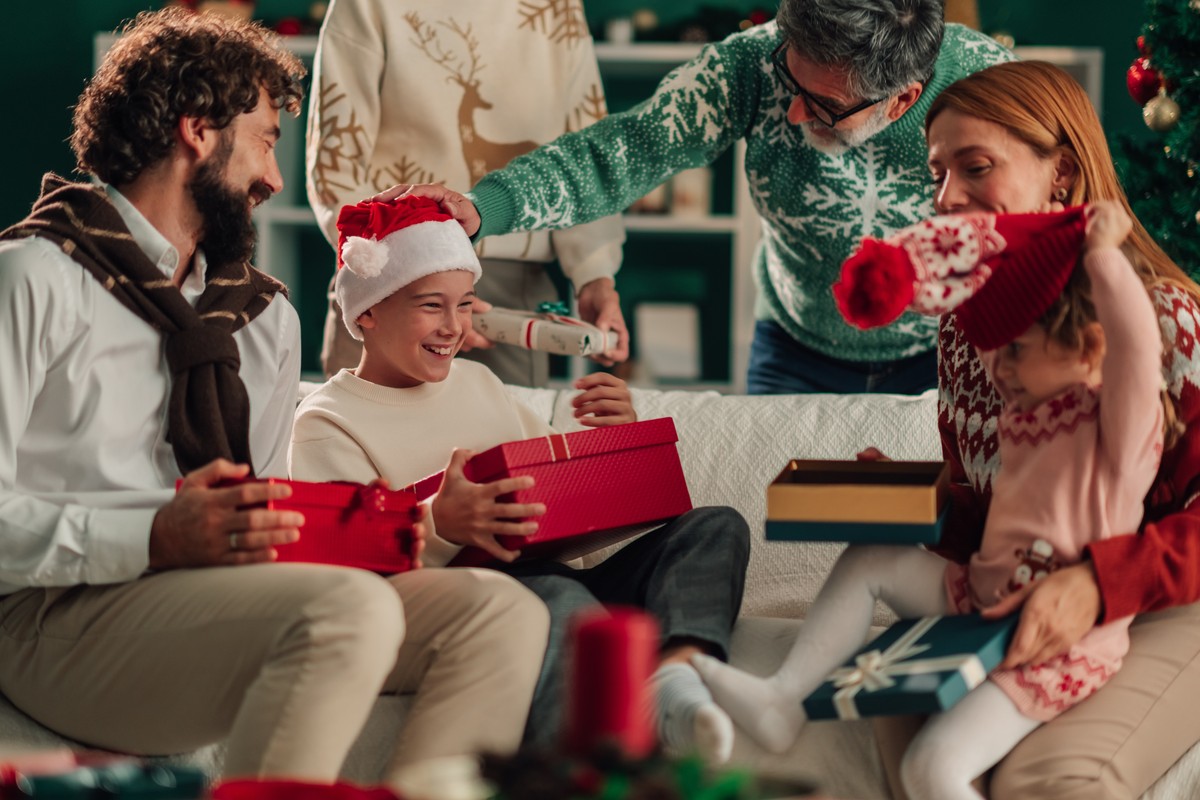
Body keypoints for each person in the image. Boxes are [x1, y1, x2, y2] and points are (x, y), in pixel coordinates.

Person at [0, 8, 547, 786]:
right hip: (48, 616)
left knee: (497, 611)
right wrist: (153, 535)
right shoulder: (32, 277)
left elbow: (273, 525)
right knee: (342, 610)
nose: (274, 179)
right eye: (263, 139)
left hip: (201, 604)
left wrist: (422, 523)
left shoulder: (261, 318)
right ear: (198, 129)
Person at [693, 200, 1164, 798]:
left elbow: (1138, 349)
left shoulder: (1116, 434)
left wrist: (1102, 258)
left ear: (1090, 350)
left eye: (1017, 351)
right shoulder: (1023, 415)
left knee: (930, 768)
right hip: (980, 598)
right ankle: (783, 701)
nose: (1001, 370)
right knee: (870, 558)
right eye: (998, 352)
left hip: (1053, 645)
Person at [289, 196, 751, 763]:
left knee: (714, 527)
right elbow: (342, 574)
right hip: (472, 602)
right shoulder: (326, 420)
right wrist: (439, 523)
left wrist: (617, 443)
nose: (454, 327)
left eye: (464, 306)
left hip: (556, 576)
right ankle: (568, 776)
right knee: (554, 595)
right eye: (431, 306)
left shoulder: (479, 382)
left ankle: (677, 680)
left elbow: (558, 492)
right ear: (366, 312)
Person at [379, 0, 1015, 394]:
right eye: (791, 79)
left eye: (821, 106)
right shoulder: (750, 62)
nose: (791, 112)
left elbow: (1039, 213)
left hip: (948, 354)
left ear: (903, 99)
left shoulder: (986, 82)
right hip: (793, 349)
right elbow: (623, 151)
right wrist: (484, 207)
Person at [876, 60, 1200, 800]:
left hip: (1170, 598)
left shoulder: (1166, 321)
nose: (945, 197)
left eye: (976, 167)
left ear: (1061, 177)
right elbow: (1003, 507)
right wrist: (907, 502)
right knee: (897, 725)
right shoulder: (968, 332)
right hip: (1034, 592)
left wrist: (1097, 583)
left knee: (1045, 781)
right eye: (937, 172)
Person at [305, 0, 628, 385]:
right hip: (386, 280)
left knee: (506, 440)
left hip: (509, 295)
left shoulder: (556, 6)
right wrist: (398, 278)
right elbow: (337, 158)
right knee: (359, 434)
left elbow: (584, 149)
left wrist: (595, 277)